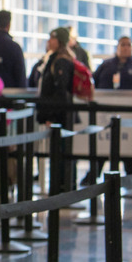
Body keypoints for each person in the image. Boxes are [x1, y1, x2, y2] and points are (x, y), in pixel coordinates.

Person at [86, 36, 132, 181]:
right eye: (123, 45)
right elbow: (94, 83)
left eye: (128, 45)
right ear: (117, 47)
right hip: (106, 115)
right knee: (102, 148)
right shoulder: (106, 65)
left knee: (130, 149)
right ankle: (93, 176)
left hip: (131, 118)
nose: (125, 48)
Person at [37, 27, 76, 192]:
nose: (49, 41)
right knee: (58, 152)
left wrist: (51, 116)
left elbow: (60, 92)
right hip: (59, 115)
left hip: (60, 117)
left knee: (61, 152)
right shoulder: (55, 59)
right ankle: (60, 187)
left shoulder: (61, 61)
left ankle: (62, 188)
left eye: (52, 38)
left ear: (60, 41)